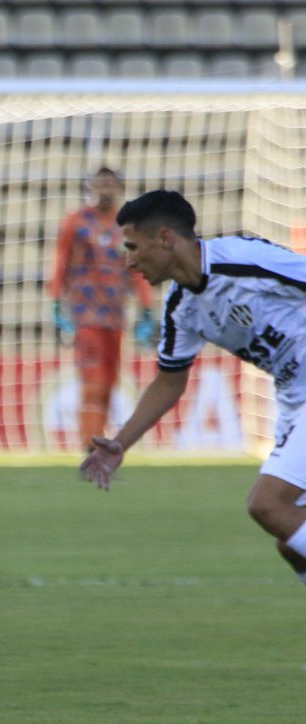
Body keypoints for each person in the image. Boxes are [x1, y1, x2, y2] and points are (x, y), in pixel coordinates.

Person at [81, 189, 306, 585]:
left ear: (165, 238)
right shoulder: (181, 308)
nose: (129, 260)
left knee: (268, 506)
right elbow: (170, 381)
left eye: (134, 247)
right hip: (293, 400)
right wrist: (121, 442)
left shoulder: (242, 259)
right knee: (292, 543)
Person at [49, 167, 156, 451]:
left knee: (109, 381)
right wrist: (57, 304)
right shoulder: (77, 222)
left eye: (110, 184)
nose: (105, 190)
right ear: (92, 188)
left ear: (119, 188)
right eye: (100, 184)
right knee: (93, 380)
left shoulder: (127, 226)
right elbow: (61, 261)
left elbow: (138, 269)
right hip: (86, 315)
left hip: (115, 316)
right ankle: (90, 443)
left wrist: (146, 309)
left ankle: (99, 438)